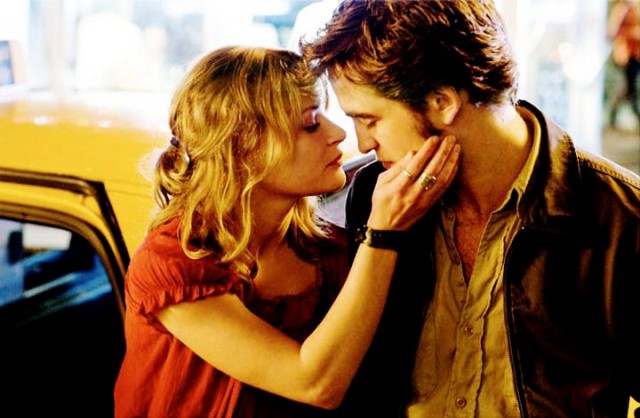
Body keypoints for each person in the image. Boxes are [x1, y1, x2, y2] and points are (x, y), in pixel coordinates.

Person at [300, 1, 640, 417]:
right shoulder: (376, 195)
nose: (364, 143)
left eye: (370, 120)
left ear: (442, 101)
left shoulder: (620, 217)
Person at [113, 45, 460, 417]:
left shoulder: (328, 251)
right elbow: (314, 383)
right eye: (310, 124)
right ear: (244, 148)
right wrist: (384, 232)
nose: (338, 134)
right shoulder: (174, 262)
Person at [607, 0, 640, 128]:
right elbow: (612, 31)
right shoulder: (622, 9)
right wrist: (631, 33)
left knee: (628, 86)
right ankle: (634, 114)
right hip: (626, 54)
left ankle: (613, 114)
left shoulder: (635, 8)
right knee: (630, 86)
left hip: (636, 54)